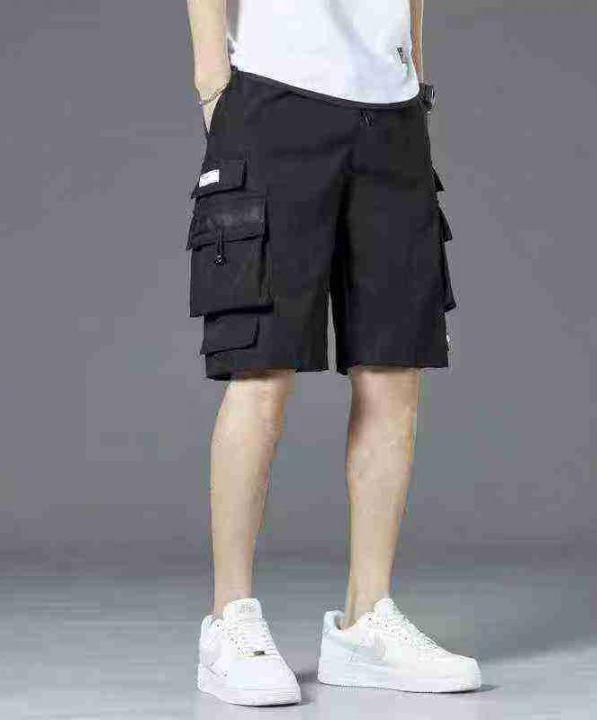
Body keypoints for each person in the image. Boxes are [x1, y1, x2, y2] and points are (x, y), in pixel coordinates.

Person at [186, 0, 480, 706]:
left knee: (394, 370)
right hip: (273, 95)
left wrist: (412, 64)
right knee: (262, 370)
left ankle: (365, 622)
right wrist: (211, 79)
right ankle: (229, 620)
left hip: (392, 113)